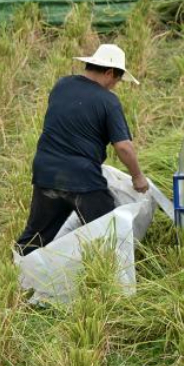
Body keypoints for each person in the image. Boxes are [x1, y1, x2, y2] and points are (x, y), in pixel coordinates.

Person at [16, 44, 148, 255]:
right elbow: (123, 147)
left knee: (35, 237)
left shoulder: (62, 85)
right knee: (108, 234)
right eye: (117, 80)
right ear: (109, 72)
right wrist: (137, 176)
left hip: (46, 172)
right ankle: (108, 281)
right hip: (82, 179)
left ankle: (20, 278)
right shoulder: (108, 101)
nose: (115, 85)